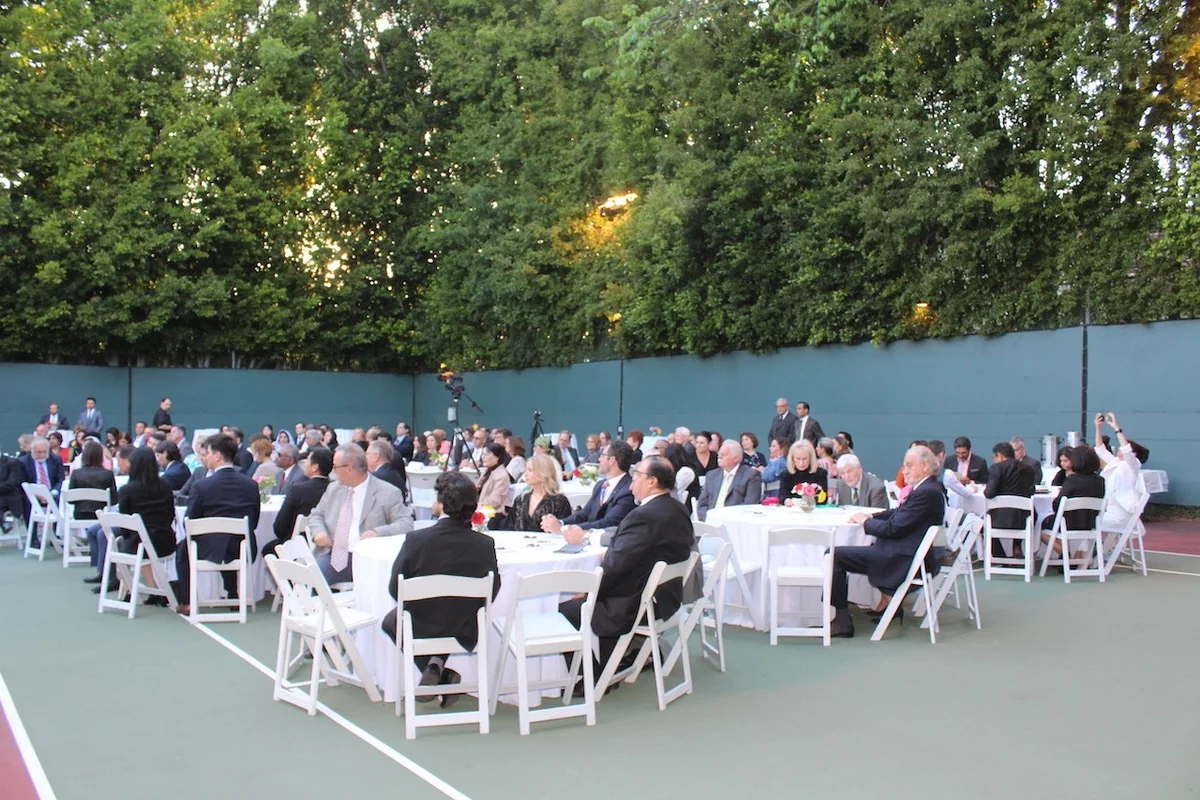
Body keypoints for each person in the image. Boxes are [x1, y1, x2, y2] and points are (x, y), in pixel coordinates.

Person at [558, 455, 694, 679]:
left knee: (564, 609)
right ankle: (612, 663)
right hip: (665, 596)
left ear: (652, 481)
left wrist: (588, 591)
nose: (632, 483)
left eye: (637, 476)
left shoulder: (644, 516)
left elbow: (615, 569)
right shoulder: (676, 508)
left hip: (635, 601)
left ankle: (592, 674)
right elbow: (635, 553)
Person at [381, 472, 500, 707]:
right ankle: (440, 671)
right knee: (444, 617)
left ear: (442, 504)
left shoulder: (417, 540)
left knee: (390, 621)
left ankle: (439, 671)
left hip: (422, 622)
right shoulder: (485, 544)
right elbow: (493, 589)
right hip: (466, 624)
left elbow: (396, 588)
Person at [832, 446, 947, 637]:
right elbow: (898, 514)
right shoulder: (928, 488)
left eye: (909, 465)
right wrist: (871, 516)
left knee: (833, 555)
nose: (904, 471)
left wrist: (866, 521)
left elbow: (892, 528)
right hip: (904, 553)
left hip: (900, 559)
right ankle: (889, 608)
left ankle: (842, 621)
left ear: (925, 466)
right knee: (852, 549)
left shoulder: (926, 492)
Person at [175, 434, 261, 615]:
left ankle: (187, 600)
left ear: (217, 455)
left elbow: (189, 522)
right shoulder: (251, 485)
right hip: (243, 547)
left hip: (209, 548)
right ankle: (232, 593)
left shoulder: (201, 486)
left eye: (207, 453)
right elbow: (254, 521)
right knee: (227, 540)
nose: (204, 457)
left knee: (184, 547)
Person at [306, 445, 413, 585]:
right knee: (310, 577)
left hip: (370, 560)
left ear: (349, 469)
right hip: (335, 556)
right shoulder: (334, 489)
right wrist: (319, 532)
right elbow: (316, 515)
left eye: (335, 467)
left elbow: (406, 523)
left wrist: (377, 532)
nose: (333, 471)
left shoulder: (387, 492)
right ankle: (318, 607)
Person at [96, 448, 178, 604]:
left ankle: (129, 588)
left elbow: (125, 523)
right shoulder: (165, 486)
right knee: (140, 543)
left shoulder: (127, 490)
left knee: (124, 543)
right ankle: (151, 589)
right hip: (164, 541)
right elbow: (170, 515)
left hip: (139, 544)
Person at [543, 441, 637, 541]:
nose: (599, 459)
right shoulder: (600, 485)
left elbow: (608, 523)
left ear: (612, 460)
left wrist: (564, 529)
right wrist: (560, 522)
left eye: (603, 455)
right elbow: (584, 514)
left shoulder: (628, 490)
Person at [261, 447, 333, 557]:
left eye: (307, 460)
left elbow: (280, 528)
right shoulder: (336, 490)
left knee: (268, 550)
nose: (304, 464)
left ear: (315, 467)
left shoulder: (297, 489)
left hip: (298, 544)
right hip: (329, 542)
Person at [69, 441, 117, 587]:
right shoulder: (107, 474)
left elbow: (71, 499)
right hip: (100, 515)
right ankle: (102, 566)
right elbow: (113, 500)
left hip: (80, 513)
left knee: (95, 533)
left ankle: (98, 564)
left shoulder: (76, 474)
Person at [1093, 412, 1149, 533]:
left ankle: (1088, 551)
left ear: (1134, 455)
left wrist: (1116, 428)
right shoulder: (1116, 463)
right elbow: (1100, 450)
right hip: (1109, 510)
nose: (1120, 449)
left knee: (1086, 521)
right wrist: (1098, 428)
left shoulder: (1133, 466)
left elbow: (1127, 450)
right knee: (1084, 519)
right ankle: (1090, 550)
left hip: (1120, 514)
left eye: (1122, 448)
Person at [983, 442, 1036, 557]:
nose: (994, 460)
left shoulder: (997, 468)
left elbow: (989, 493)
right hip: (1025, 517)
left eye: (994, 457)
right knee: (1017, 514)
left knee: (982, 524)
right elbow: (1031, 491)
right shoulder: (1029, 469)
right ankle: (1016, 546)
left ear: (1000, 456)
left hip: (1000, 518)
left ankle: (1000, 556)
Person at [696, 439, 764, 521]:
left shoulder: (751, 475)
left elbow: (749, 505)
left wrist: (727, 521)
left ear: (735, 459)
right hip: (710, 524)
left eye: (723, 454)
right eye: (719, 454)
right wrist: (708, 520)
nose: (719, 456)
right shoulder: (711, 475)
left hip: (735, 524)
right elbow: (702, 505)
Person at [504, 454, 573, 531]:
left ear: (543, 472)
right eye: (525, 470)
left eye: (530, 470)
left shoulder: (559, 501)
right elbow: (509, 527)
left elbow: (564, 530)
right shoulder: (520, 499)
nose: (526, 474)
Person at [19, 437, 64, 524]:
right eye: (39, 452)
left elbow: (60, 479)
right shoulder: (23, 462)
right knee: (27, 501)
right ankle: (33, 535)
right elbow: (22, 482)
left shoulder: (55, 460)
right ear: (32, 450)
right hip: (33, 494)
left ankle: (57, 533)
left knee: (60, 499)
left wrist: (52, 493)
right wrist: (37, 494)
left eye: (44, 452)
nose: (42, 455)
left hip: (52, 492)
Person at [475, 442, 512, 527]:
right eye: (483, 454)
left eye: (486, 454)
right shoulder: (487, 471)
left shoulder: (501, 475)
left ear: (497, 457)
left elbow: (495, 501)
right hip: (480, 510)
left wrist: (477, 504)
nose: (483, 457)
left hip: (494, 514)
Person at [779, 440, 828, 505]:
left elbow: (823, 498)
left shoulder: (820, 473)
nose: (801, 463)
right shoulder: (786, 474)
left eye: (805, 459)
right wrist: (786, 500)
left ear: (811, 458)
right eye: (798, 459)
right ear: (792, 458)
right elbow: (783, 495)